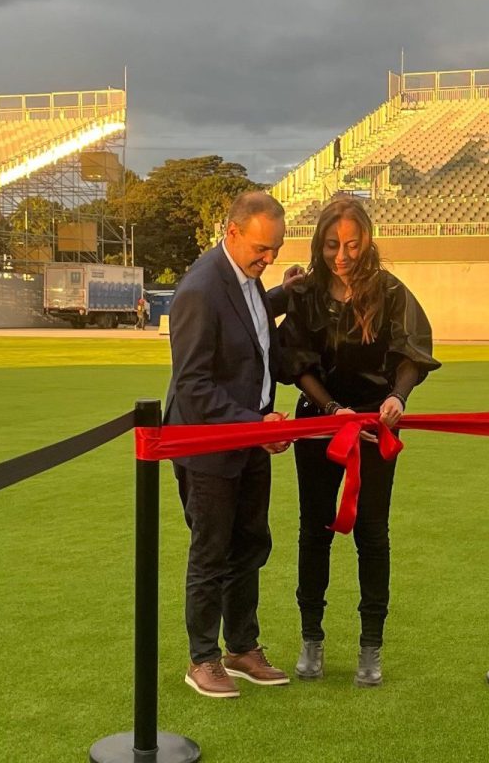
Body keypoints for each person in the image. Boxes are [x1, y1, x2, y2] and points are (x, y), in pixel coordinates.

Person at [275, 195, 438, 688]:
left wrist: (398, 397)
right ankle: (311, 638)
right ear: (318, 244)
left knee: (372, 533)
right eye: (331, 244)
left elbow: (410, 354)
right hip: (319, 422)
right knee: (314, 530)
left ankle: (371, 646)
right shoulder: (305, 293)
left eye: (350, 244)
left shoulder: (391, 291)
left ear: (366, 242)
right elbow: (296, 362)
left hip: (374, 425)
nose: (341, 255)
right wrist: (330, 409)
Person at [164, 190, 300, 699]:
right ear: (232, 232)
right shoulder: (200, 289)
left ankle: (242, 647)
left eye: (276, 249)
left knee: (249, 545)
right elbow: (193, 386)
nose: (269, 258)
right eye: (262, 248)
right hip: (211, 445)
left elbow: (251, 318)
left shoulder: (247, 277)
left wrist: (284, 293)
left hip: (251, 440)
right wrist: (257, 425)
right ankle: (203, 658)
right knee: (211, 551)